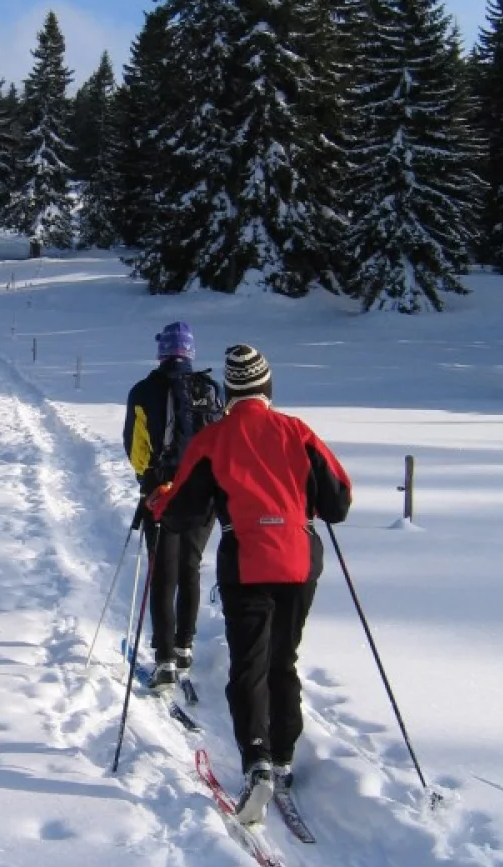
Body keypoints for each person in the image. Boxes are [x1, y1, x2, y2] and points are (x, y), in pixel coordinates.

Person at [148, 343, 351, 823]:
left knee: (249, 664)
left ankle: (256, 758)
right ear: (267, 387)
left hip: (247, 562)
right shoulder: (298, 431)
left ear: (230, 391)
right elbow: (338, 502)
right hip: (300, 560)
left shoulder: (214, 440)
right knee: (284, 658)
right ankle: (283, 756)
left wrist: (158, 499)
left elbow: (182, 514)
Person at [123, 321, 223, 689]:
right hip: (204, 495)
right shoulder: (210, 389)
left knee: (162, 574)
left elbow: (137, 446)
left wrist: (146, 483)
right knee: (190, 568)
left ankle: (164, 659)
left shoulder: (144, 390)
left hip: (162, 493)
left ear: (162, 352)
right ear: (190, 352)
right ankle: (184, 646)